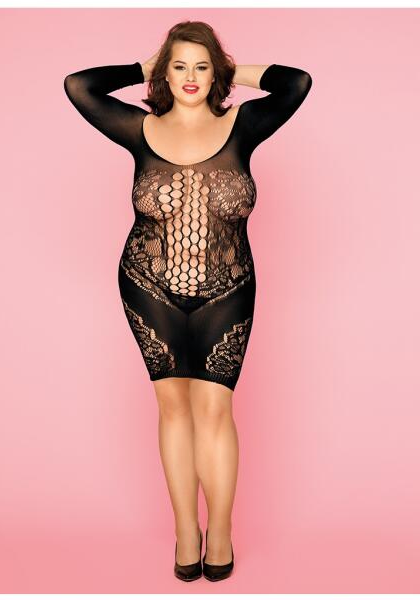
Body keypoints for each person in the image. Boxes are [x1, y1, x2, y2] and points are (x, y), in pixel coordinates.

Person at [64, 20, 312, 583]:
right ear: (165, 73)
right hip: (148, 287)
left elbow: (296, 82)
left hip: (228, 290)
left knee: (215, 410)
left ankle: (220, 531)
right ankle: (184, 532)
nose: (191, 77)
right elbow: (79, 86)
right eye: (179, 66)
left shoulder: (242, 125)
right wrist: (145, 66)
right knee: (172, 409)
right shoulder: (138, 128)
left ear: (215, 73)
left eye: (202, 66)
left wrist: (229, 69)